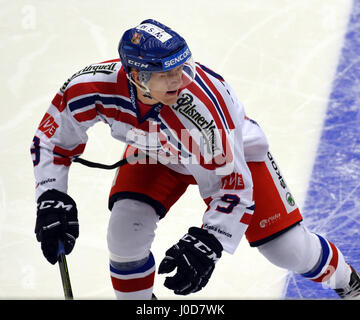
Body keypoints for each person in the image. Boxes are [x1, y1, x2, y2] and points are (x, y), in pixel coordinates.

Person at [31, 19, 360, 299]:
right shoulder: (90, 86)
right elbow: (51, 139)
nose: (178, 80)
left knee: (287, 250)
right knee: (123, 235)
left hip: (230, 159)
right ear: (135, 76)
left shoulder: (202, 109)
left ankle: (349, 283)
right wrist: (50, 194)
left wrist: (210, 240)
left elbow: (232, 186)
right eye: (165, 73)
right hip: (155, 153)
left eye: (181, 68)